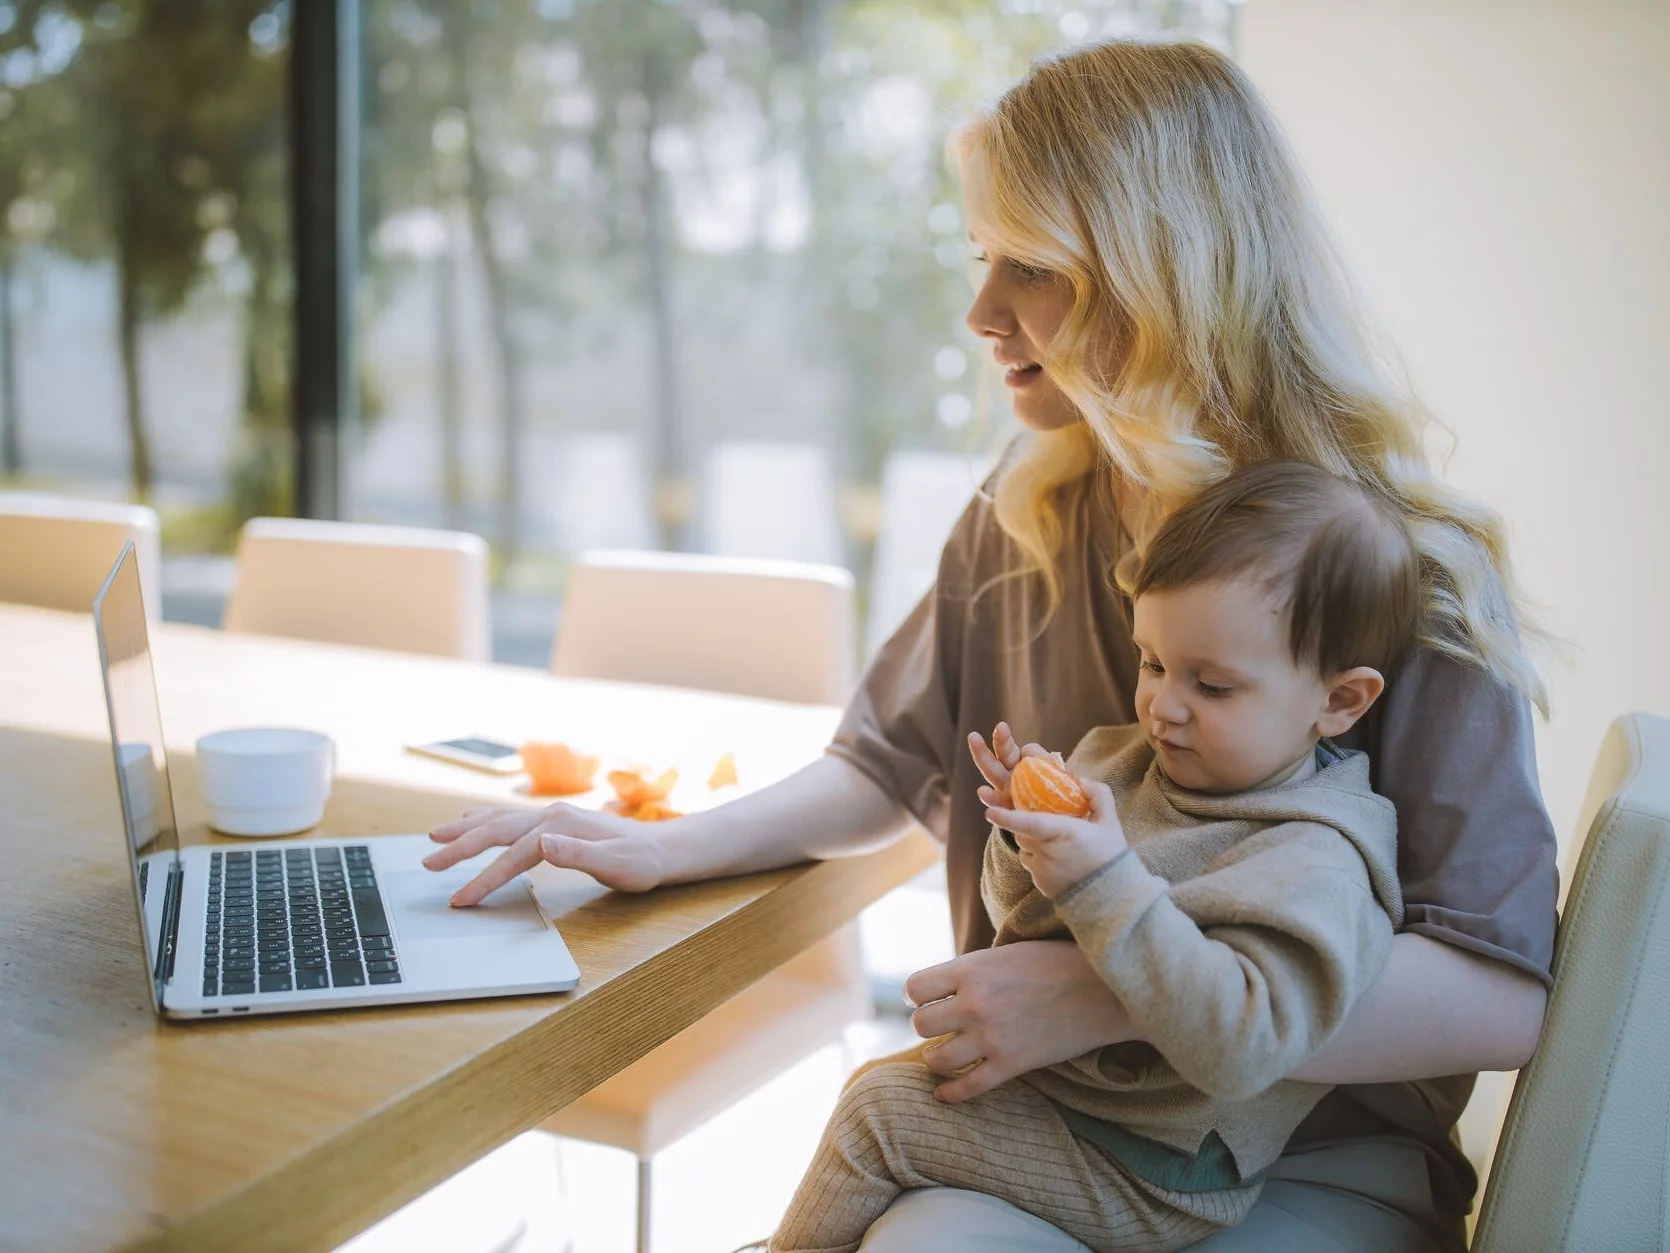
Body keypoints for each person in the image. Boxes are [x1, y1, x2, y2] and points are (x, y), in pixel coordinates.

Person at [424, 37, 1556, 1251]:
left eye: (1031, 267)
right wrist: (668, 844)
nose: (979, 313)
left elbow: (1495, 994)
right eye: (980, 260)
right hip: (1059, 1114)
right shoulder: (1029, 506)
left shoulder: (1397, 571)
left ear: (1161, 273)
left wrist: (1105, 991)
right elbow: (885, 763)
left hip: (1305, 1157)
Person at [767, 462, 1415, 1253]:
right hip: (1072, 1103)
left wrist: (1105, 879)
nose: (1162, 707)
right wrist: (1027, 840)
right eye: (1153, 663)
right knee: (886, 1090)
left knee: (878, 1116)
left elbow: (1244, 1045)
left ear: (1340, 701)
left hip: (1158, 1167)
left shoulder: (1317, 854)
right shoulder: (1128, 759)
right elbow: (1026, 924)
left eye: (1212, 685)